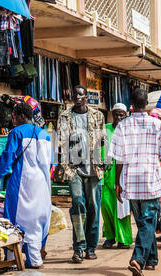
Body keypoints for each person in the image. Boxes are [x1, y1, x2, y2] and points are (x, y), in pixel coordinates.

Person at [108, 89, 161, 276]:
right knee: (147, 224)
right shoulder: (157, 124)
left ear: (131, 104)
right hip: (151, 180)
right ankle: (137, 259)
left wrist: (117, 182)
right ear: (147, 104)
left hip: (131, 181)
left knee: (144, 223)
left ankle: (151, 259)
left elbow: (118, 159)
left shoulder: (122, 126)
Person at [0, 100, 52, 270]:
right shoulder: (45, 135)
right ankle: (35, 258)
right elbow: (50, 163)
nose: (12, 120)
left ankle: (11, 260)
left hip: (22, 184)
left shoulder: (16, 133)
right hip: (43, 186)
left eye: (14, 116)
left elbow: (6, 160)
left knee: (14, 221)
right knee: (37, 222)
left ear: (22, 116)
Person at [57, 85, 107, 264]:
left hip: (94, 168)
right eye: (74, 95)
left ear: (86, 96)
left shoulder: (97, 115)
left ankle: (91, 247)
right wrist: (63, 166)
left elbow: (103, 141)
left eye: (80, 94)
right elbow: (61, 142)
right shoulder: (64, 116)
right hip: (74, 168)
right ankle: (79, 247)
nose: (77, 97)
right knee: (78, 204)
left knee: (93, 208)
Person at [101, 103, 132, 249]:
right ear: (112, 114)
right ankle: (110, 236)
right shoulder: (104, 129)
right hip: (106, 174)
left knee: (122, 207)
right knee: (106, 206)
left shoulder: (129, 130)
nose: (119, 117)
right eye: (116, 114)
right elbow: (98, 148)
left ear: (125, 115)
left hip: (123, 174)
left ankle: (124, 238)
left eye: (122, 115)